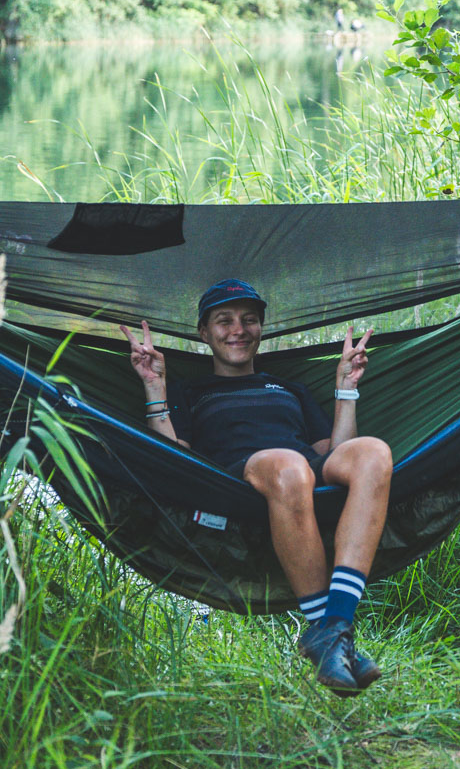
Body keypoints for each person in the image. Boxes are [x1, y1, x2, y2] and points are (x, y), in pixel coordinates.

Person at [120, 279, 391, 695]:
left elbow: (337, 451)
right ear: (204, 333)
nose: (238, 329)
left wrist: (346, 389)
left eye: (249, 320)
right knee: (288, 464)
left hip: (306, 472)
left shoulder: (289, 388)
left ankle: (332, 627)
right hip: (242, 476)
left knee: (374, 452)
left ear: (261, 329)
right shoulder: (191, 391)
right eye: (224, 321)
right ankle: (328, 628)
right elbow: (170, 459)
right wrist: (154, 386)